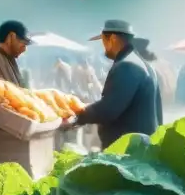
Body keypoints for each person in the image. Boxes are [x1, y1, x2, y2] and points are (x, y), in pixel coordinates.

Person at [69, 20, 161, 148]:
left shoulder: (128, 66)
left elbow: (109, 109)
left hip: (129, 152)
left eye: (103, 41)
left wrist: (78, 116)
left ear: (112, 39)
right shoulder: (142, 64)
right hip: (141, 146)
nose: (104, 46)